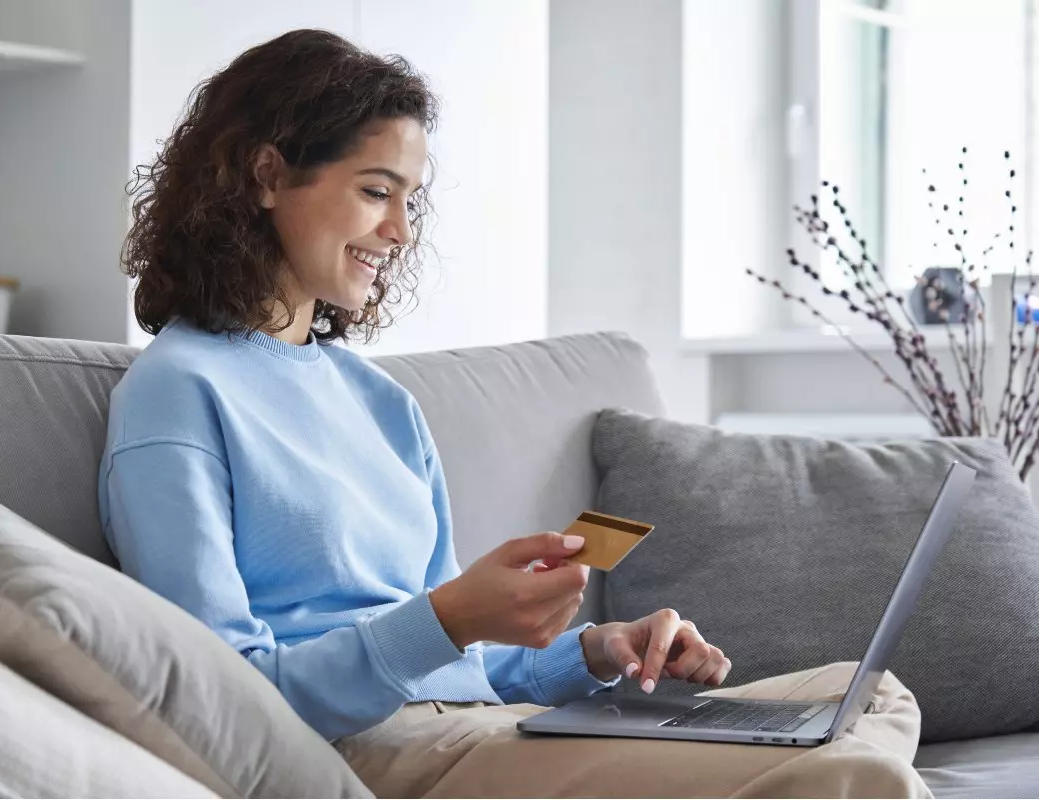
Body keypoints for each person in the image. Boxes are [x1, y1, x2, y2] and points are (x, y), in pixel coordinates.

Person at [100, 28, 930, 798]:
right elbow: (221, 697)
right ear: (268, 175)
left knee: (860, 697)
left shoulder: (380, 403)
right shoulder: (178, 391)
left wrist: (599, 652)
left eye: (409, 200)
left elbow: (465, 667)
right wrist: (449, 616)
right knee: (852, 774)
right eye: (375, 191)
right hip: (366, 748)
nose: (397, 230)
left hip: (481, 726)